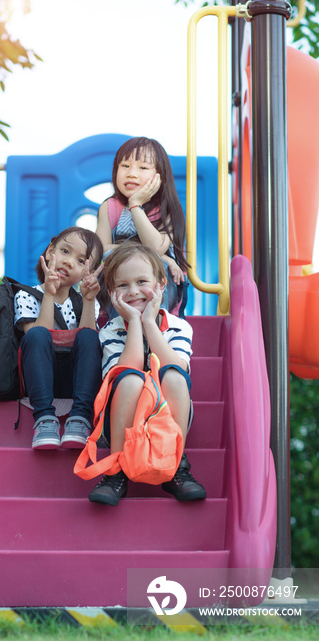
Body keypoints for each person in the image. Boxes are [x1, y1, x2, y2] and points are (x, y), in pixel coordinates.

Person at [88, 243, 206, 506]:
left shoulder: (178, 327)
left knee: (174, 375)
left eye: (142, 281)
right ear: (111, 292)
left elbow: (179, 368)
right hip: (121, 419)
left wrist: (149, 323)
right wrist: (133, 323)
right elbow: (123, 371)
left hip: (165, 415)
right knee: (130, 379)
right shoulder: (110, 331)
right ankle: (116, 471)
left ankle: (176, 466)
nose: (133, 292)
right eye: (122, 285)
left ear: (161, 285)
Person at [14, 226, 104, 450]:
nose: (69, 262)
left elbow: (88, 345)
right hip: (40, 378)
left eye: (81, 261)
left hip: (75, 380)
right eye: (65, 251)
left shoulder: (86, 299)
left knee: (90, 337)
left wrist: (90, 301)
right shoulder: (26, 295)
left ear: (89, 271)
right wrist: (49, 295)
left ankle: (80, 418)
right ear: (50, 249)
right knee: (36, 334)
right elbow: (36, 336)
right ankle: (44, 419)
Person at [95, 136, 189, 317]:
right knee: (112, 258)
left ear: (160, 175)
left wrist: (135, 204)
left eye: (143, 167)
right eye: (125, 166)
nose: (131, 173)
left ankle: (157, 328)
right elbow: (101, 249)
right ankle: (122, 328)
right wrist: (149, 253)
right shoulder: (110, 206)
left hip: (161, 289)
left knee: (160, 263)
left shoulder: (167, 209)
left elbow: (155, 247)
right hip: (121, 289)